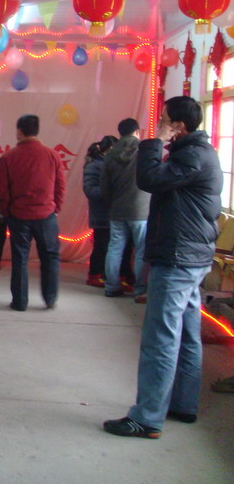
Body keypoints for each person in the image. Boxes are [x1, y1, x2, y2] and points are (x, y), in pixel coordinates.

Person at [104, 96, 222, 439]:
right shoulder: (198, 152)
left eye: (165, 120)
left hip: (177, 258)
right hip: (190, 256)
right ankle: (182, 404)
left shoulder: (192, 156)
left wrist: (154, 140)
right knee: (185, 335)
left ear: (178, 126)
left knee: (160, 338)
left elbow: (149, 178)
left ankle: (147, 417)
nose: (159, 124)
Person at [0, 114, 65, 311]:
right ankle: (50, 298)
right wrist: (56, 208)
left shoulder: (8, 157)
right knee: (50, 257)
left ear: (19, 131)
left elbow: (1, 190)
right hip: (46, 215)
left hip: (19, 215)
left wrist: (7, 212)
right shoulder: (52, 155)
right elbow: (60, 186)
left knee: (20, 259)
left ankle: (20, 302)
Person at [100, 118, 151, 303]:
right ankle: (140, 289)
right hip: (141, 210)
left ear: (120, 133)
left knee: (114, 248)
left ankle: (111, 286)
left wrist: (111, 203)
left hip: (117, 209)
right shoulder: (145, 151)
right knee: (141, 250)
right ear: (137, 132)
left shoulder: (110, 155)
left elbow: (104, 187)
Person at [82, 136, 118, 287]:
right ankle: (94, 274)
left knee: (107, 245)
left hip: (111, 212)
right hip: (101, 213)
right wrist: (110, 191)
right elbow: (90, 190)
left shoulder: (108, 164)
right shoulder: (94, 166)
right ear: (109, 149)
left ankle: (103, 274)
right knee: (101, 245)